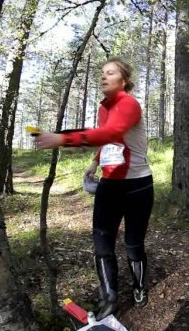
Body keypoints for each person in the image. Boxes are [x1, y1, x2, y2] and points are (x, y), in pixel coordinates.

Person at [34, 58, 153, 320]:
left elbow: (111, 133)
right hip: (109, 185)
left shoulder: (129, 104)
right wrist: (93, 164)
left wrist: (63, 138)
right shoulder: (104, 109)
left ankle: (139, 287)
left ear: (124, 81)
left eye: (110, 73)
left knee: (133, 244)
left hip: (137, 186)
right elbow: (107, 141)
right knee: (102, 242)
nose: (103, 77)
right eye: (102, 73)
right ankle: (109, 297)